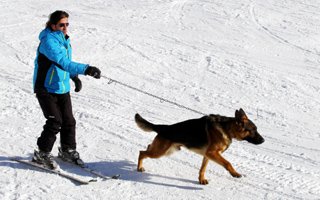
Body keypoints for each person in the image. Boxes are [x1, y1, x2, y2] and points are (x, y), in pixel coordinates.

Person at [32, 10, 101, 169]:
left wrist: (73, 76)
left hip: (61, 87)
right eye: (61, 25)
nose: (65, 28)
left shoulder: (64, 39)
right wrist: (87, 69)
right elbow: (62, 61)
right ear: (53, 25)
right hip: (45, 88)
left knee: (69, 121)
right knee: (55, 121)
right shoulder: (48, 42)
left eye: (67, 24)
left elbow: (65, 64)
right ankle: (41, 153)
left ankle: (67, 150)